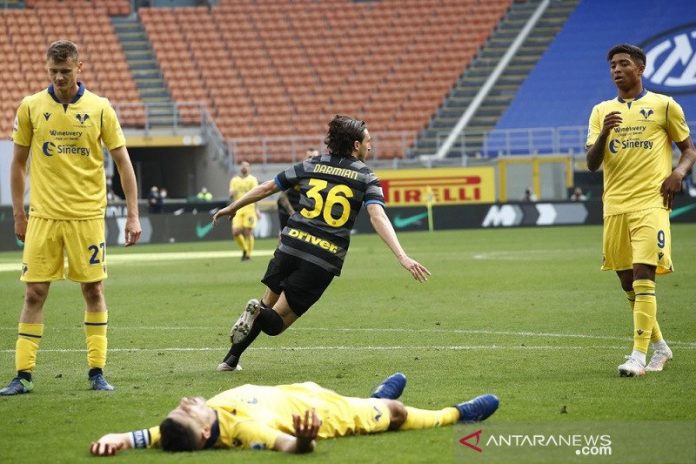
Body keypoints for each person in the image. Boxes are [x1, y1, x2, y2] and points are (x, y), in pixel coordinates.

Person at [213, 115, 430, 373]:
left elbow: (268, 187)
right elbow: (377, 215)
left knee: (267, 301)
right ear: (354, 146)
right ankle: (256, 314)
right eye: (367, 141)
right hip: (321, 257)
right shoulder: (366, 176)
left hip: (290, 245)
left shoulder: (312, 164)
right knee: (276, 323)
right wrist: (402, 256)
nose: (370, 146)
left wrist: (232, 207)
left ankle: (230, 360)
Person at [1, 40, 142, 396]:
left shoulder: (100, 108)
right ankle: (23, 375)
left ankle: (97, 372)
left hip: (87, 217)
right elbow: (17, 164)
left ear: (80, 67)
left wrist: (132, 216)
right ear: (46, 69)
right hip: (44, 217)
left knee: (93, 289)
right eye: (53, 71)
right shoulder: (31, 106)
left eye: (65, 71)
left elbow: (123, 163)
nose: (59, 77)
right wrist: (19, 214)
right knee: (34, 293)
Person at [586, 44, 696, 377]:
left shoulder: (664, 106)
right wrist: (605, 131)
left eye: (623, 64)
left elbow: (689, 150)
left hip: (652, 203)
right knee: (626, 282)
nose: (616, 70)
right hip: (615, 205)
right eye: (612, 66)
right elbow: (592, 164)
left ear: (641, 68)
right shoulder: (601, 110)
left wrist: (679, 173)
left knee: (643, 274)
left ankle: (638, 356)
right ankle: (661, 347)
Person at [88, 372, 499, 456]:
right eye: (188, 411)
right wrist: (304, 438)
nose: (185, 402)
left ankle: (372, 395)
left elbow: (153, 435)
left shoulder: (180, 430)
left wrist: (119, 439)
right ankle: (456, 415)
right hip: (328, 414)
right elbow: (288, 446)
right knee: (393, 411)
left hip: (306, 391)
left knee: (373, 399)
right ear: (206, 427)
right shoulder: (245, 430)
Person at [276, 148, 319, 233]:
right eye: (310, 156)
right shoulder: (296, 172)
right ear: (304, 158)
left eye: (315, 157)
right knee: (285, 238)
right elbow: (282, 197)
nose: (312, 159)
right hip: (287, 209)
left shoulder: (320, 175)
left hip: (303, 211)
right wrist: (292, 214)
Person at [229, 161, 259, 261]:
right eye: (242, 166)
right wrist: (231, 193)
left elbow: (257, 195)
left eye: (246, 166)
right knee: (235, 232)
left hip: (250, 208)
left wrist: (257, 209)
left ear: (249, 168)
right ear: (240, 168)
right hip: (237, 209)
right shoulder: (234, 180)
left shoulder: (253, 180)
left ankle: (248, 255)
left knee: (248, 232)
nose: (244, 167)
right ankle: (245, 249)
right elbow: (230, 194)